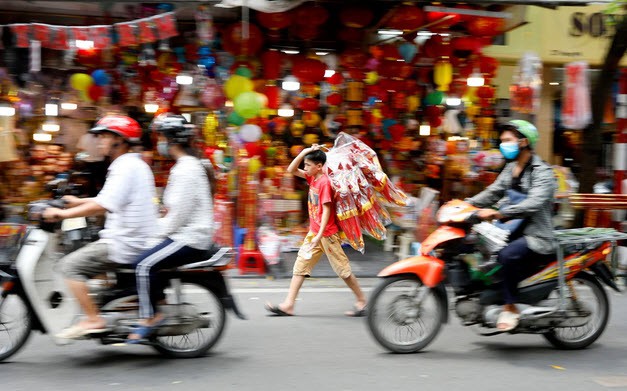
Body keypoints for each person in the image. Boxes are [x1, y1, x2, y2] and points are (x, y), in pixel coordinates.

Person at [43, 115, 158, 338]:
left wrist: (63, 213)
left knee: (69, 266)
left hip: (125, 242)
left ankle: (93, 319)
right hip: (131, 238)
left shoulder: (124, 167)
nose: (100, 141)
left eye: (105, 136)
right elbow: (108, 198)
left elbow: (103, 205)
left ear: (120, 140)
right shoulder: (131, 164)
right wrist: (78, 202)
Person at [126, 113, 214, 343]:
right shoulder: (185, 166)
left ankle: (150, 316)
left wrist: (154, 232)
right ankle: (158, 304)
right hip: (183, 233)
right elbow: (171, 210)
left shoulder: (186, 169)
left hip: (191, 237)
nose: (159, 143)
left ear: (172, 141)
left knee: (143, 265)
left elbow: (176, 216)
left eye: (162, 138)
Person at [466, 120, 556, 332]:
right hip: (511, 231)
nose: (502, 145)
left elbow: (533, 203)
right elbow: (493, 192)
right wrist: (465, 204)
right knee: (474, 246)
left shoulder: (542, 172)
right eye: (502, 141)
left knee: (506, 256)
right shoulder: (510, 168)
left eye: (507, 140)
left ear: (523, 142)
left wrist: (499, 213)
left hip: (536, 236)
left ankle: (510, 306)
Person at [265, 144, 367, 317]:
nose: (305, 168)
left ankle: (361, 301)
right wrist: (305, 152)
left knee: (343, 270)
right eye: (305, 164)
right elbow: (291, 169)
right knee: (300, 266)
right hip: (315, 233)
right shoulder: (312, 178)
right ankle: (288, 305)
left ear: (319, 166)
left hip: (327, 234)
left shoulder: (324, 182)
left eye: (308, 165)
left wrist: (319, 234)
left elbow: (327, 209)